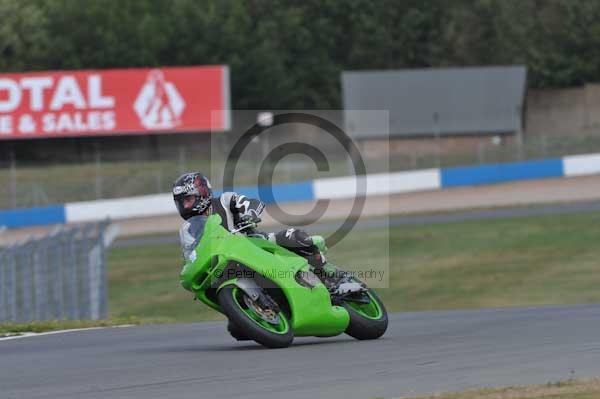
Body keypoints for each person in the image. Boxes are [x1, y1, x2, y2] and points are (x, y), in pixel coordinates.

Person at [172, 172, 346, 291]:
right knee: (237, 330)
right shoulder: (191, 229)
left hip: (256, 243)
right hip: (229, 264)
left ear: (202, 193)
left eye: (188, 199)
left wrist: (249, 214)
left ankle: (329, 276)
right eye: (181, 202)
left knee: (295, 237)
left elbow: (249, 203)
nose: (185, 206)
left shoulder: (224, 201)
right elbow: (191, 252)